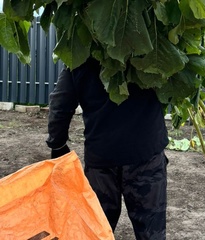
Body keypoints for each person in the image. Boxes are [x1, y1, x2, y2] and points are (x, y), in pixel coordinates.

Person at [46, 57, 169, 240]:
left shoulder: (80, 53)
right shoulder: (152, 43)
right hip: (145, 155)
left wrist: (58, 144)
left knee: (96, 232)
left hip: (101, 159)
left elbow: (60, 104)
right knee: (152, 232)